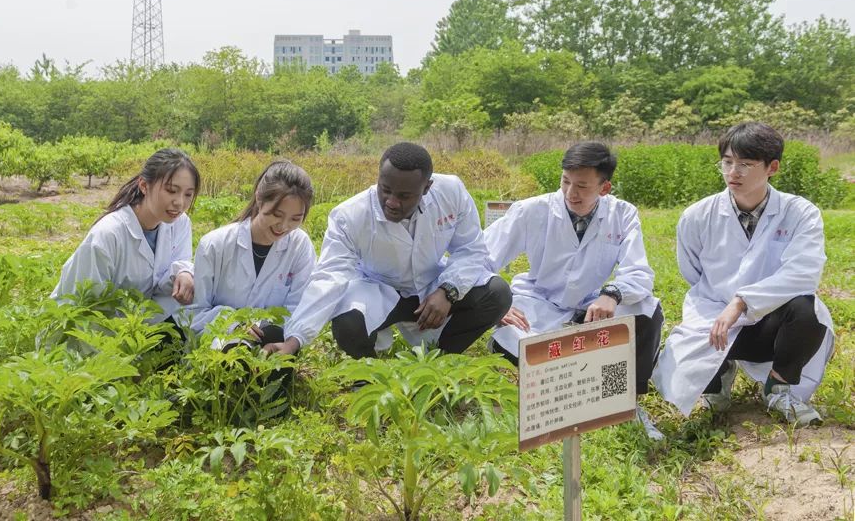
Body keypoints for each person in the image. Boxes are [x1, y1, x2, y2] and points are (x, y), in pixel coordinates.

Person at [653, 123, 834, 425]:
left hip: (772, 324)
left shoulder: (800, 213)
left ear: (772, 167)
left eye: (745, 164)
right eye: (727, 162)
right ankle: (720, 374)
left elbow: (803, 273)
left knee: (808, 309)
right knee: (685, 354)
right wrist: (723, 304)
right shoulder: (697, 216)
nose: (733, 172)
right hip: (714, 318)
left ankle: (778, 387)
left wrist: (740, 302)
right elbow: (693, 272)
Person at [484, 141, 666, 440]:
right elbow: (483, 256)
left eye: (582, 186)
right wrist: (499, 305)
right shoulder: (532, 210)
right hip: (537, 303)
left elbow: (638, 271)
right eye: (565, 182)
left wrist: (612, 294)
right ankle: (571, 387)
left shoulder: (623, 214)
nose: (571, 193)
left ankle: (627, 402)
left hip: (592, 306)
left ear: (604, 188)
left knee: (647, 310)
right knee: (526, 347)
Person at [265, 142, 512, 358]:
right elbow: (329, 277)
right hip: (379, 289)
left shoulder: (451, 192)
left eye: (404, 195)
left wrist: (448, 291)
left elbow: (471, 249)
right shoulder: (350, 216)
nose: (392, 202)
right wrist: (295, 338)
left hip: (431, 285)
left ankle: (438, 359)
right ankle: (368, 374)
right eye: (385, 190)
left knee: (497, 294)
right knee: (347, 323)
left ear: (427, 188)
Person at [52, 148, 200, 327]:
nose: (180, 202)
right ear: (144, 186)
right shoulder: (108, 234)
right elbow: (82, 307)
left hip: (141, 328)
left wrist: (184, 273)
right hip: (91, 335)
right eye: (171, 190)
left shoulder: (180, 223)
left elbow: (177, 265)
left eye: (188, 194)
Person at [189, 161, 316, 351]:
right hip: (220, 348)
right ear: (259, 197)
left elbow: (300, 309)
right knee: (231, 350)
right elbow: (197, 312)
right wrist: (234, 324)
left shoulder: (299, 246)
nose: (283, 226)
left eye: (295, 219)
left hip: (274, 347)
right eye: (276, 214)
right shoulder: (215, 245)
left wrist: (290, 344)